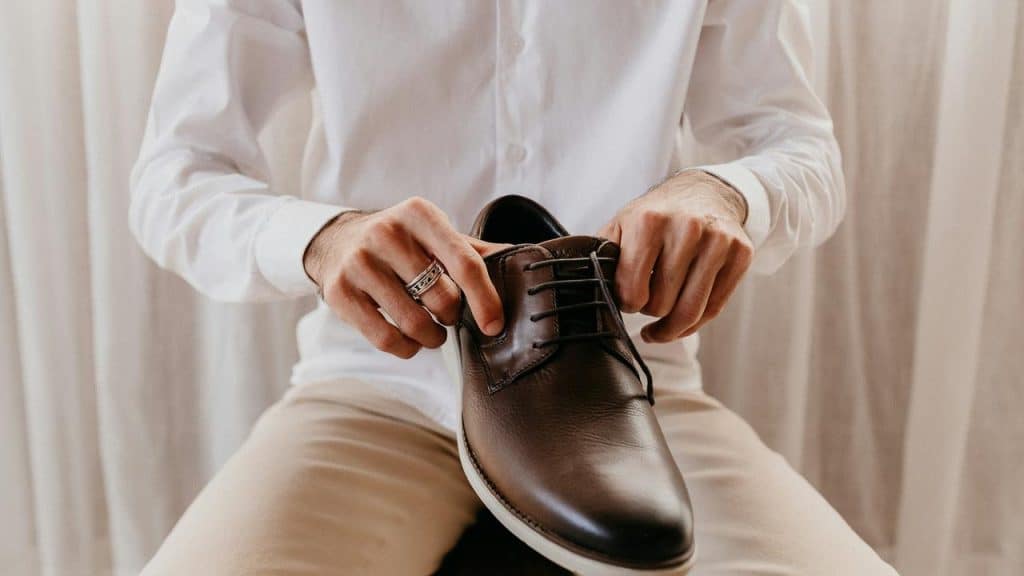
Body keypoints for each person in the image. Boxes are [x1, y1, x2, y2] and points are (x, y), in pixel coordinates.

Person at [131, 1, 897, 574]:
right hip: (379, 390)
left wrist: (727, 193)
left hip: (625, 398)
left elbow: (796, 143)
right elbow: (176, 174)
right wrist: (321, 239)